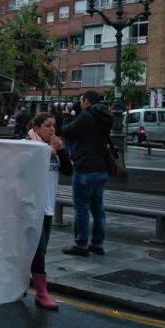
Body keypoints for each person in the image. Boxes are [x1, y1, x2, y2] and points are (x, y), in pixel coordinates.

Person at [26, 112, 73, 309]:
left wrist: (60, 151)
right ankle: (41, 292)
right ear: (36, 128)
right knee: (39, 250)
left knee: (33, 250)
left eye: (54, 125)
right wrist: (48, 151)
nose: (52, 129)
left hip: (47, 206)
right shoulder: (27, 145)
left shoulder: (55, 148)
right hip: (30, 207)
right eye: (47, 125)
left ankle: (21, 284)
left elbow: (68, 171)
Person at [61, 90, 114, 257]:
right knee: (98, 208)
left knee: (82, 208)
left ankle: (81, 244)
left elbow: (67, 131)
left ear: (86, 101)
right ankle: (97, 243)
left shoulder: (86, 116)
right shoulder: (106, 116)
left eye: (81, 101)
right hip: (101, 169)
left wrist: (68, 116)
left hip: (85, 168)